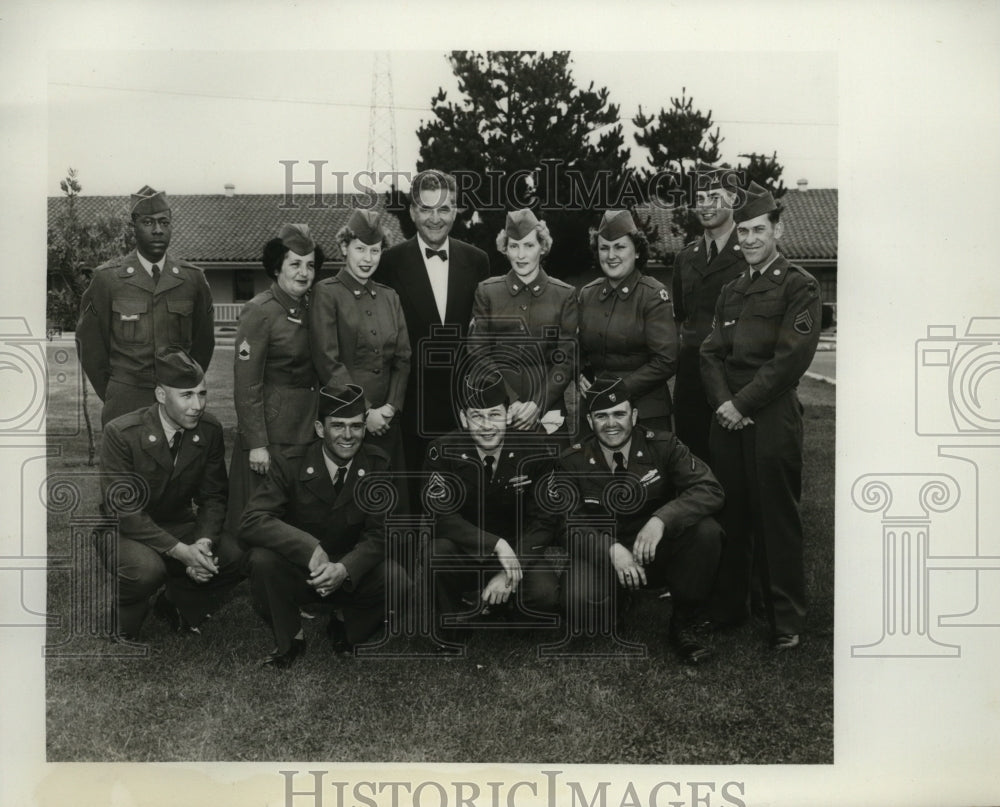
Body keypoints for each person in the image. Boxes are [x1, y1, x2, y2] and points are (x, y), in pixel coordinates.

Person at [700, 181, 822, 650]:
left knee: (776, 516)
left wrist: (741, 404)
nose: (748, 239)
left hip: (770, 414)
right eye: (743, 232)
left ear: (777, 230)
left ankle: (785, 619)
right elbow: (710, 354)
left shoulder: (800, 285)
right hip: (728, 414)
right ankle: (732, 607)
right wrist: (721, 404)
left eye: (757, 230)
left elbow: (791, 359)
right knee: (730, 512)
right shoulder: (731, 290)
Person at [526, 377, 723, 664]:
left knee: (707, 533)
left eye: (619, 413)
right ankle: (617, 599)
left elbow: (710, 489)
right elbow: (567, 524)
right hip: (603, 555)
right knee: (579, 604)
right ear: (590, 421)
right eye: (601, 416)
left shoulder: (663, 446)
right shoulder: (573, 461)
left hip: (654, 550)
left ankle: (683, 623)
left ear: (633, 415)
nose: (611, 423)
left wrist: (662, 519)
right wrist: (610, 549)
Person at [240, 384, 412, 668]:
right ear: (320, 428)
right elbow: (252, 519)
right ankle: (290, 638)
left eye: (356, 426)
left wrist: (345, 568)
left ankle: (345, 625)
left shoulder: (378, 465)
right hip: (303, 571)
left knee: (398, 580)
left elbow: (382, 533)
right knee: (261, 560)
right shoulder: (290, 463)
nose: (348, 435)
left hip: (350, 573)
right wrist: (309, 548)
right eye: (338, 426)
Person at [97, 348, 240, 640]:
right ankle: (121, 619)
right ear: (162, 396)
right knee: (146, 570)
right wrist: (181, 552)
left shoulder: (209, 430)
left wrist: (202, 544)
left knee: (235, 555)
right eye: (186, 395)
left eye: (202, 394)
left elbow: (213, 497)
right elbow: (126, 514)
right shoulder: (122, 433)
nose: (197, 405)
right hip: (124, 531)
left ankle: (174, 601)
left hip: (177, 523)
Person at [372, 169, 489, 496]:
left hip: (462, 405)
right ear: (412, 212)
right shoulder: (388, 263)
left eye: (444, 209)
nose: (435, 219)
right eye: (426, 209)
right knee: (408, 497)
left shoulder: (477, 261)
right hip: (408, 405)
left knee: (461, 497)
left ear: (456, 210)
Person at [423, 371, 561, 639]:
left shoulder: (536, 449)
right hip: (466, 547)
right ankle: (453, 624)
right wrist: (495, 545)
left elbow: (545, 520)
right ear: (464, 418)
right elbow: (440, 516)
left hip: (518, 546)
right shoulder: (441, 451)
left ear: (508, 415)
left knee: (544, 597)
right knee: (435, 553)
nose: (487, 425)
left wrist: (510, 568)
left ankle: (507, 607)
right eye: (477, 416)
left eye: (495, 415)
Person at [76, 186, 215, 426]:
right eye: (148, 222)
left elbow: (204, 343)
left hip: (178, 403)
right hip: (125, 401)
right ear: (133, 228)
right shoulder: (108, 279)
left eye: (164, 222)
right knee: (125, 463)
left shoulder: (193, 279)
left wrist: (184, 385)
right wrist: (113, 391)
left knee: (178, 463)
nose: (158, 230)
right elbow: (90, 347)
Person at [228, 223, 323, 537]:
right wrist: (257, 444)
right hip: (272, 435)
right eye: (295, 264)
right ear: (276, 267)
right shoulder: (259, 311)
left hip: (307, 429)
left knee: (298, 515)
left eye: (310, 265)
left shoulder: (314, 307)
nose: (304, 272)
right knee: (261, 516)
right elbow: (247, 383)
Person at [309, 209, 410, 474]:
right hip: (346, 424)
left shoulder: (390, 297)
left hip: (387, 422)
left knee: (388, 498)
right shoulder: (327, 293)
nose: (368, 258)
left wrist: (390, 408)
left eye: (375, 251)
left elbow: (403, 359)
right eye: (360, 249)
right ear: (344, 247)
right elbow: (328, 362)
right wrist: (365, 414)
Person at [468, 208, 578, 434]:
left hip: (549, 415)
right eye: (514, 246)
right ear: (504, 249)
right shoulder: (487, 292)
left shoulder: (564, 294)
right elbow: (479, 354)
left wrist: (538, 404)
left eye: (529, 245)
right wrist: (511, 400)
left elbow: (565, 362)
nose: (521, 255)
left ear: (542, 247)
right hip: (500, 413)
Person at [671, 166, 749, 463]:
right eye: (700, 197)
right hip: (690, 381)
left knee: (732, 464)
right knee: (691, 461)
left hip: (733, 378)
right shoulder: (685, 259)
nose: (705, 205)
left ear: (733, 199)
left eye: (714, 197)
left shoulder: (748, 255)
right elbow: (681, 317)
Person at [577, 210, 677, 431]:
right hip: (596, 410)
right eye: (604, 248)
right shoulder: (587, 294)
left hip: (644, 413)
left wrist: (618, 389)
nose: (611, 255)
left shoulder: (652, 294)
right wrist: (578, 373)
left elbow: (666, 361)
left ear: (638, 252)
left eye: (620, 247)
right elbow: (577, 349)